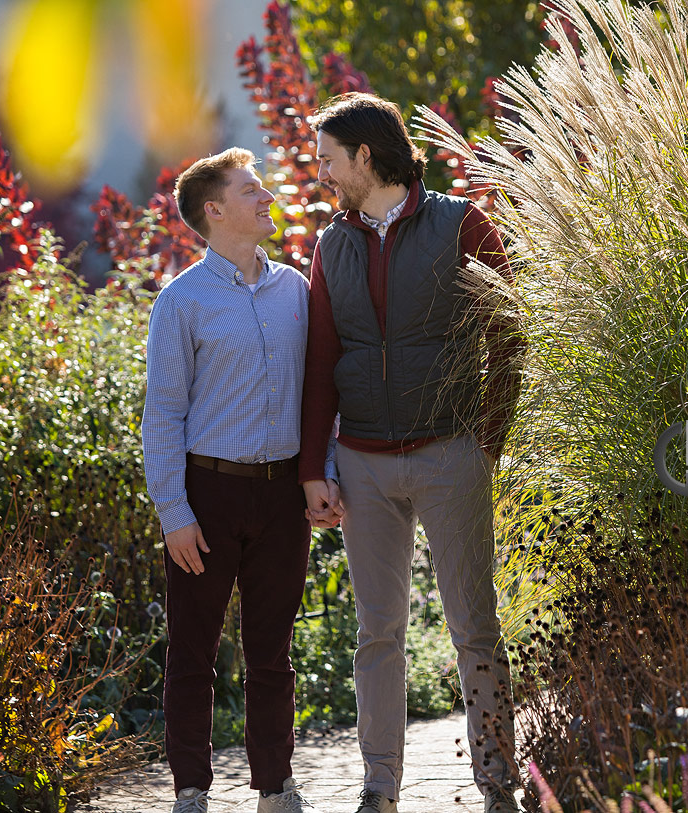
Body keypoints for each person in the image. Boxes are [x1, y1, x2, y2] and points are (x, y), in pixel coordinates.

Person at [299, 93, 525, 813]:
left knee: (474, 627)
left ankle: (497, 784)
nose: (323, 173)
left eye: (330, 159)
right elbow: (321, 358)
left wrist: (488, 439)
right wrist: (314, 467)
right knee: (378, 633)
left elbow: (509, 332)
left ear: (365, 156)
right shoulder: (331, 242)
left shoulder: (461, 222)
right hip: (362, 462)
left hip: (449, 449)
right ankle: (378, 787)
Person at [142, 147, 328, 813]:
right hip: (206, 494)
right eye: (253, 190)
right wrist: (173, 509)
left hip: (283, 493)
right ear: (215, 210)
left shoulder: (297, 294)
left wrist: (321, 472)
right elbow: (162, 411)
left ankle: (275, 786)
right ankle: (191, 787)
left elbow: (317, 393)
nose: (267, 197)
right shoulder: (182, 301)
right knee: (194, 650)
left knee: (272, 651)